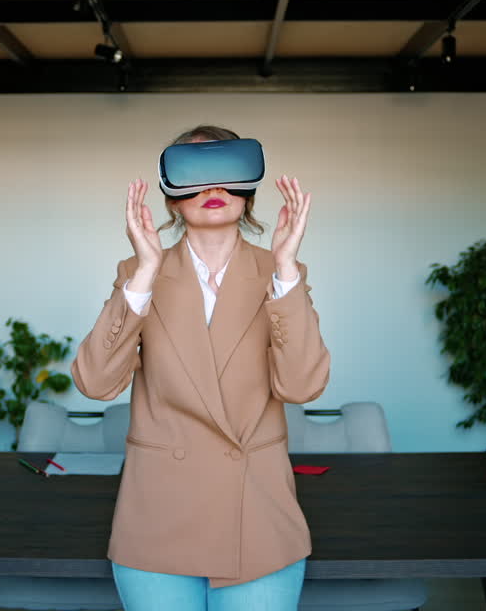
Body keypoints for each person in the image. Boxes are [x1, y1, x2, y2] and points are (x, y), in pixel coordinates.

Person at [71, 125, 331, 611]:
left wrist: (286, 270)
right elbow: (96, 383)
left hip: (258, 516)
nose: (213, 189)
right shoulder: (137, 274)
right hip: (157, 517)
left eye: (227, 172)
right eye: (194, 174)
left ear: (248, 191)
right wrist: (145, 271)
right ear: (172, 197)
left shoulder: (280, 274)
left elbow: (301, 386)